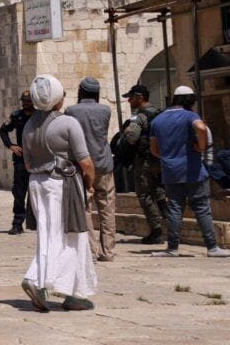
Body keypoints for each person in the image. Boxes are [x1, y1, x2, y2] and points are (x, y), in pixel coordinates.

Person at [19, 75, 98, 312]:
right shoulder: (68, 123)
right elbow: (85, 161)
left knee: (48, 234)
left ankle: (71, 292)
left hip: (37, 183)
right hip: (62, 183)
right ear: (56, 98)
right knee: (71, 235)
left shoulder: (28, 126)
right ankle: (38, 280)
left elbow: (27, 163)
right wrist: (90, 183)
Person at [149, 85, 230, 258]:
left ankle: (172, 248)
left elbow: (154, 149)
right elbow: (201, 128)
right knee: (202, 208)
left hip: (170, 171)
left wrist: (169, 157)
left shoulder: (158, 120)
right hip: (193, 170)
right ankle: (212, 247)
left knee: (175, 209)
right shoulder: (190, 116)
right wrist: (201, 147)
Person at [64, 77, 116, 261]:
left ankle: (91, 251)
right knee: (107, 208)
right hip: (103, 163)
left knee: (85, 208)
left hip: (81, 165)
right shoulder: (106, 110)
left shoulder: (71, 111)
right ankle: (108, 251)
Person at [121, 84, 166, 244]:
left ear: (140, 98)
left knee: (144, 194)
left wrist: (126, 131)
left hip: (145, 159)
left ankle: (156, 230)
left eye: (131, 98)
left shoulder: (139, 116)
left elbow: (132, 138)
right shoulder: (159, 113)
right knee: (158, 190)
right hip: (160, 159)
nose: (129, 101)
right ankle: (168, 217)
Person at [0, 90, 36, 235]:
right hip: (21, 159)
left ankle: (38, 223)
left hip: (37, 159)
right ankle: (17, 223)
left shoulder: (39, 116)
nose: (26, 104)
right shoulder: (16, 116)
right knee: (19, 192)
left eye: (28, 101)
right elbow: (3, 130)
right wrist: (10, 145)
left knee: (37, 192)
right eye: (24, 101)